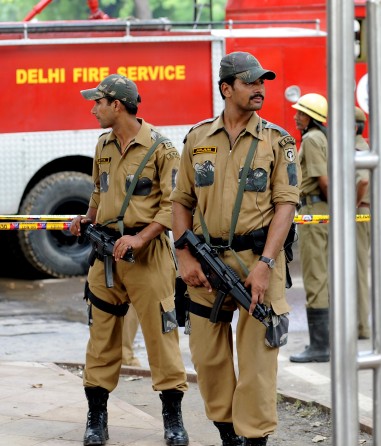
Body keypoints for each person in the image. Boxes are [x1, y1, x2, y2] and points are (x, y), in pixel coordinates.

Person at [170, 51, 299, 446]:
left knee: (258, 362)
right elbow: (180, 202)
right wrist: (184, 256)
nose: (260, 88)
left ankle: (254, 438)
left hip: (258, 262)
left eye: (263, 82)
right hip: (205, 262)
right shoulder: (197, 138)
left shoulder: (278, 141)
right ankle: (229, 433)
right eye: (250, 82)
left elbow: (286, 205)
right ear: (226, 88)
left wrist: (265, 263)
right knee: (208, 359)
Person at [70, 74, 189, 446]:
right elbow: (98, 190)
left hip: (148, 257)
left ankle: (173, 420)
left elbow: (174, 205)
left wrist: (139, 237)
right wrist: (86, 218)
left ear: (116, 105)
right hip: (105, 258)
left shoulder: (161, 148)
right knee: (101, 339)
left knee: (161, 337)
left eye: (98, 103)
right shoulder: (103, 143)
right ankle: (96, 419)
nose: (93, 110)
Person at [289, 93, 331, 363]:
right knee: (322, 275)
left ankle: (320, 346)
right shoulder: (319, 138)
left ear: (310, 117)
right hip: (317, 209)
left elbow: (323, 180)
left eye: (300, 113)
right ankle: (323, 342)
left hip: (314, 211)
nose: (296, 116)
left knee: (315, 277)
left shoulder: (312, 139)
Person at [354, 106, 371, 340]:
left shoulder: (355, 148)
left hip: (359, 214)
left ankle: (361, 326)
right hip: (366, 213)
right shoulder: (365, 146)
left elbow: (363, 181)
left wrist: (352, 204)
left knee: (357, 270)